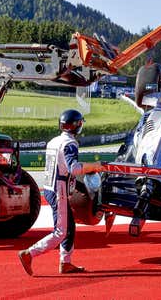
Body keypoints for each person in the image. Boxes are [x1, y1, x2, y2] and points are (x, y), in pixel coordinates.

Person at [18, 109, 101, 276]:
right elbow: (74, 168)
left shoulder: (53, 141)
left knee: (69, 226)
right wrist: (95, 167)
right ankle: (29, 253)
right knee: (61, 231)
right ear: (77, 126)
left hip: (50, 187)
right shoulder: (70, 144)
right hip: (59, 189)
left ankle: (66, 262)